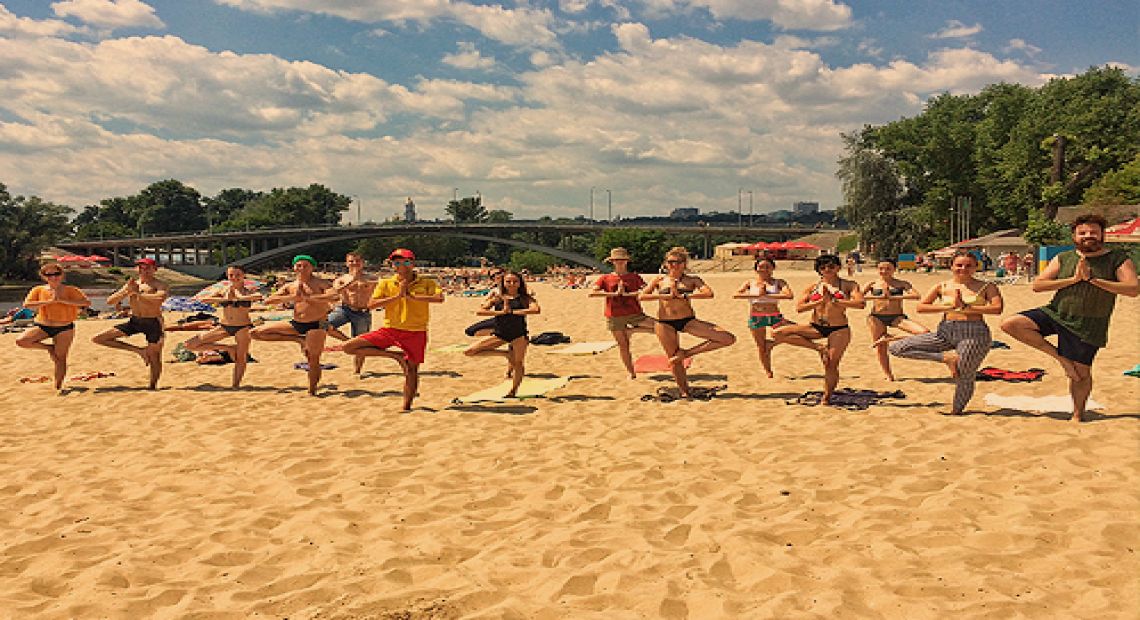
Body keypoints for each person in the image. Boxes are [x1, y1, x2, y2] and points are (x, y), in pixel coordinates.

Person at [1000, 214, 1138, 422]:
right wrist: (1073, 279)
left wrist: (1094, 280)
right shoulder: (1064, 258)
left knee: (1081, 373)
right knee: (1011, 324)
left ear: (1102, 234)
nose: (1088, 236)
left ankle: (1077, 414)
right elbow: (1038, 285)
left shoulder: (1117, 258)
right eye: (1082, 233)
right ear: (1074, 236)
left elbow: (1132, 289)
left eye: (1093, 232)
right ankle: (1061, 359)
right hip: (1056, 312)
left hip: (1089, 323)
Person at [889, 250, 1003, 415]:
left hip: (974, 332)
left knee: (965, 373)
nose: (963, 268)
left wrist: (967, 308)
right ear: (951, 266)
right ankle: (946, 358)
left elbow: (996, 308)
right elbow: (921, 307)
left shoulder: (987, 286)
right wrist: (948, 307)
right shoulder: (942, 286)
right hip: (945, 330)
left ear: (975, 267)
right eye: (959, 265)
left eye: (968, 265)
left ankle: (956, 410)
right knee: (897, 348)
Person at [342, 248, 444, 410]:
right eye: (397, 262)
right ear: (392, 265)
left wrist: (411, 296)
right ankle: (396, 356)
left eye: (406, 262)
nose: (401, 265)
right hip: (390, 329)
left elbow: (439, 298)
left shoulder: (427, 282)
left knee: (412, 371)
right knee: (349, 347)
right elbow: (372, 305)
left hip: (416, 331)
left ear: (413, 264)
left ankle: (406, 407)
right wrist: (397, 296)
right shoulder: (386, 283)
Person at [639, 246, 736, 398]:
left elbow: (708, 293)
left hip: (687, 320)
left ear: (684, 264)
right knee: (673, 358)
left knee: (727, 338)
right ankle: (684, 391)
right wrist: (663, 297)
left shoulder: (692, 280)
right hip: (664, 322)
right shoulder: (659, 280)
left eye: (678, 262)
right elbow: (642, 297)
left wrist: (685, 296)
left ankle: (686, 354)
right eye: (670, 262)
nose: (674, 265)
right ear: (666, 264)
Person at [774, 254, 864, 404]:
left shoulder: (849, 285)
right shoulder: (813, 287)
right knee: (777, 333)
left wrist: (838, 301)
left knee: (830, 364)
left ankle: (827, 397)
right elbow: (799, 308)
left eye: (831, 266)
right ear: (818, 270)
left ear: (838, 267)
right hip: (815, 326)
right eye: (823, 267)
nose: (827, 270)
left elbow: (860, 303)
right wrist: (820, 301)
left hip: (839, 328)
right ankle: (818, 347)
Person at [251, 255, 338, 396]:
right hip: (297, 323)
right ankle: (298, 339)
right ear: (294, 267)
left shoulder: (321, 283)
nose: (302, 268)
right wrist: (291, 298)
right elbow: (268, 301)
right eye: (299, 265)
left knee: (313, 359)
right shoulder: (290, 286)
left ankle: (312, 390)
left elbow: (334, 296)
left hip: (317, 324)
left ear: (312, 267)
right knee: (255, 333)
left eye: (306, 266)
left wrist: (311, 298)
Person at [92, 258, 170, 389]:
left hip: (153, 321)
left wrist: (137, 293)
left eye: (147, 268)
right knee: (99, 338)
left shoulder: (159, 284)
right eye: (141, 268)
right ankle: (139, 351)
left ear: (154, 269)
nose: (144, 271)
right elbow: (110, 301)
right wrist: (126, 292)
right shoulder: (132, 285)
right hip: (135, 320)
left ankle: (152, 386)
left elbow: (159, 299)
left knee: (155, 357)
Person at [183, 265, 263, 388]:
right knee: (190, 344)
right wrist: (224, 298)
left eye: (237, 275)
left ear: (243, 276)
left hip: (243, 327)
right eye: (231, 275)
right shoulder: (223, 290)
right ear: (227, 276)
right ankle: (228, 348)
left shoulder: (248, 290)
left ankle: (235, 385)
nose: (234, 278)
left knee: (241, 358)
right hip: (224, 326)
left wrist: (239, 298)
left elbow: (258, 296)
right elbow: (204, 299)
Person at [16, 263, 91, 392]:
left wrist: (63, 300)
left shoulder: (70, 290)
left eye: (56, 274)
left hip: (65, 327)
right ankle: (49, 348)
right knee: (22, 341)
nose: (53, 277)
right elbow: (27, 304)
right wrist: (49, 302)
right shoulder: (38, 290)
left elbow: (86, 302)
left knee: (60, 358)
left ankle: (58, 386)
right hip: (43, 325)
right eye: (49, 274)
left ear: (61, 275)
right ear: (44, 277)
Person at [464, 271, 541, 397]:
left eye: (515, 281)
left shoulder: (524, 298)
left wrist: (512, 312)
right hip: (500, 333)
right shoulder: (497, 298)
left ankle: (513, 390)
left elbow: (536, 309)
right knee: (470, 351)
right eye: (508, 281)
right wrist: (501, 313)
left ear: (520, 283)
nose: (511, 284)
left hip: (519, 335)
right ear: (503, 283)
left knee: (518, 363)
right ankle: (505, 354)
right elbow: (480, 311)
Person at [589, 247, 655, 379]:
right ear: (612, 261)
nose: (619, 262)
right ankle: (631, 373)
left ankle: (633, 331)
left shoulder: (634, 277)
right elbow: (592, 292)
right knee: (624, 346)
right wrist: (614, 294)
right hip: (614, 315)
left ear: (626, 261)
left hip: (635, 313)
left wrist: (628, 294)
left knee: (661, 328)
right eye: (616, 260)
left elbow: (646, 291)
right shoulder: (605, 278)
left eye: (622, 260)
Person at [863, 258, 929, 381]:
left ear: (894, 269)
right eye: (881, 268)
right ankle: (888, 375)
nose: (884, 271)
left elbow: (916, 295)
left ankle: (892, 338)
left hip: (897, 317)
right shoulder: (873, 284)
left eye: (888, 268)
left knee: (924, 333)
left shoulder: (901, 283)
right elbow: (859, 298)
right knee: (881, 347)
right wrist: (878, 296)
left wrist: (894, 296)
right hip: (876, 317)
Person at [732, 257, 793, 378]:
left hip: (774, 315)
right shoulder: (750, 282)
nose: (764, 269)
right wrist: (756, 294)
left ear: (773, 268)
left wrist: (769, 294)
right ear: (756, 269)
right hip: (756, 316)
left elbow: (789, 295)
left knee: (791, 333)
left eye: (767, 267)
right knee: (761, 346)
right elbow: (736, 294)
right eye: (761, 267)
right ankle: (768, 371)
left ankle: (772, 344)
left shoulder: (779, 282)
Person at [326, 252, 378, 375]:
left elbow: (384, 291)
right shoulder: (342, 279)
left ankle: (357, 370)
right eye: (351, 261)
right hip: (345, 309)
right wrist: (352, 280)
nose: (354, 263)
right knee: (323, 325)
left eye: (357, 261)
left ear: (363, 262)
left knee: (361, 344)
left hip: (363, 313)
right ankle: (347, 341)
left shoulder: (372, 278)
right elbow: (335, 292)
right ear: (347, 263)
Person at [463, 268, 505, 337]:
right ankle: (499, 334)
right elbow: (483, 306)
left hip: (512, 320)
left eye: (498, 273)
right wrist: (492, 301)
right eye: (493, 276)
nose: (496, 276)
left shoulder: (514, 287)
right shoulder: (494, 291)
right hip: (499, 318)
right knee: (470, 331)